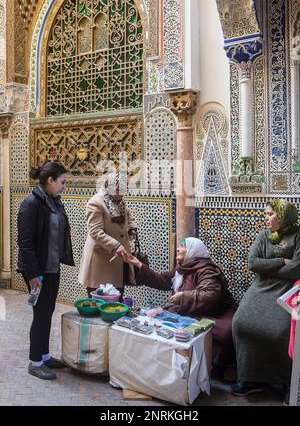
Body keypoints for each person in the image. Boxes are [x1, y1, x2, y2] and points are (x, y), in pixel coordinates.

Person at [124, 237, 237, 377]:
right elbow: (162, 280)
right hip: (193, 310)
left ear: (192, 251)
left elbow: (210, 294)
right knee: (161, 321)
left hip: (216, 311)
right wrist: (139, 265)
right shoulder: (183, 268)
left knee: (223, 331)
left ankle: (217, 367)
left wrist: (183, 296)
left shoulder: (206, 270)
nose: (178, 248)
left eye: (182, 246)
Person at [231, 199, 300, 405]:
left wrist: (268, 267)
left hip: (287, 292)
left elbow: (296, 269)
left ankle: (288, 382)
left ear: (282, 215)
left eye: (270, 214)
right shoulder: (263, 236)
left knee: (280, 332)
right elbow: (253, 263)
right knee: (240, 323)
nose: (266, 218)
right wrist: (281, 262)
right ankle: (250, 378)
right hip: (260, 288)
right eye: (266, 214)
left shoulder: (298, 236)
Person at [17, 161, 75, 380]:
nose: (64, 186)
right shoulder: (31, 204)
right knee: (40, 314)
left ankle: (44, 355)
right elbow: (26, 243)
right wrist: (32, 275)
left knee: (48, 311)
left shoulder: (53, 201)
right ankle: (35, 362)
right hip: (36, 269)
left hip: (52, 267)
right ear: (50, 180)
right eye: (62, 182)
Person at [78, 172, 137, 297]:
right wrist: (115, 245)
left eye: (124, 189)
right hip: (100, 260)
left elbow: (127, 215)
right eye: (119, 190)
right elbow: (95, 231)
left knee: (117, 298)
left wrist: (131, 227)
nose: (122, 194)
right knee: (98, 300)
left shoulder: (119, 200)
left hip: (118, 259)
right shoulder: (96, 203)